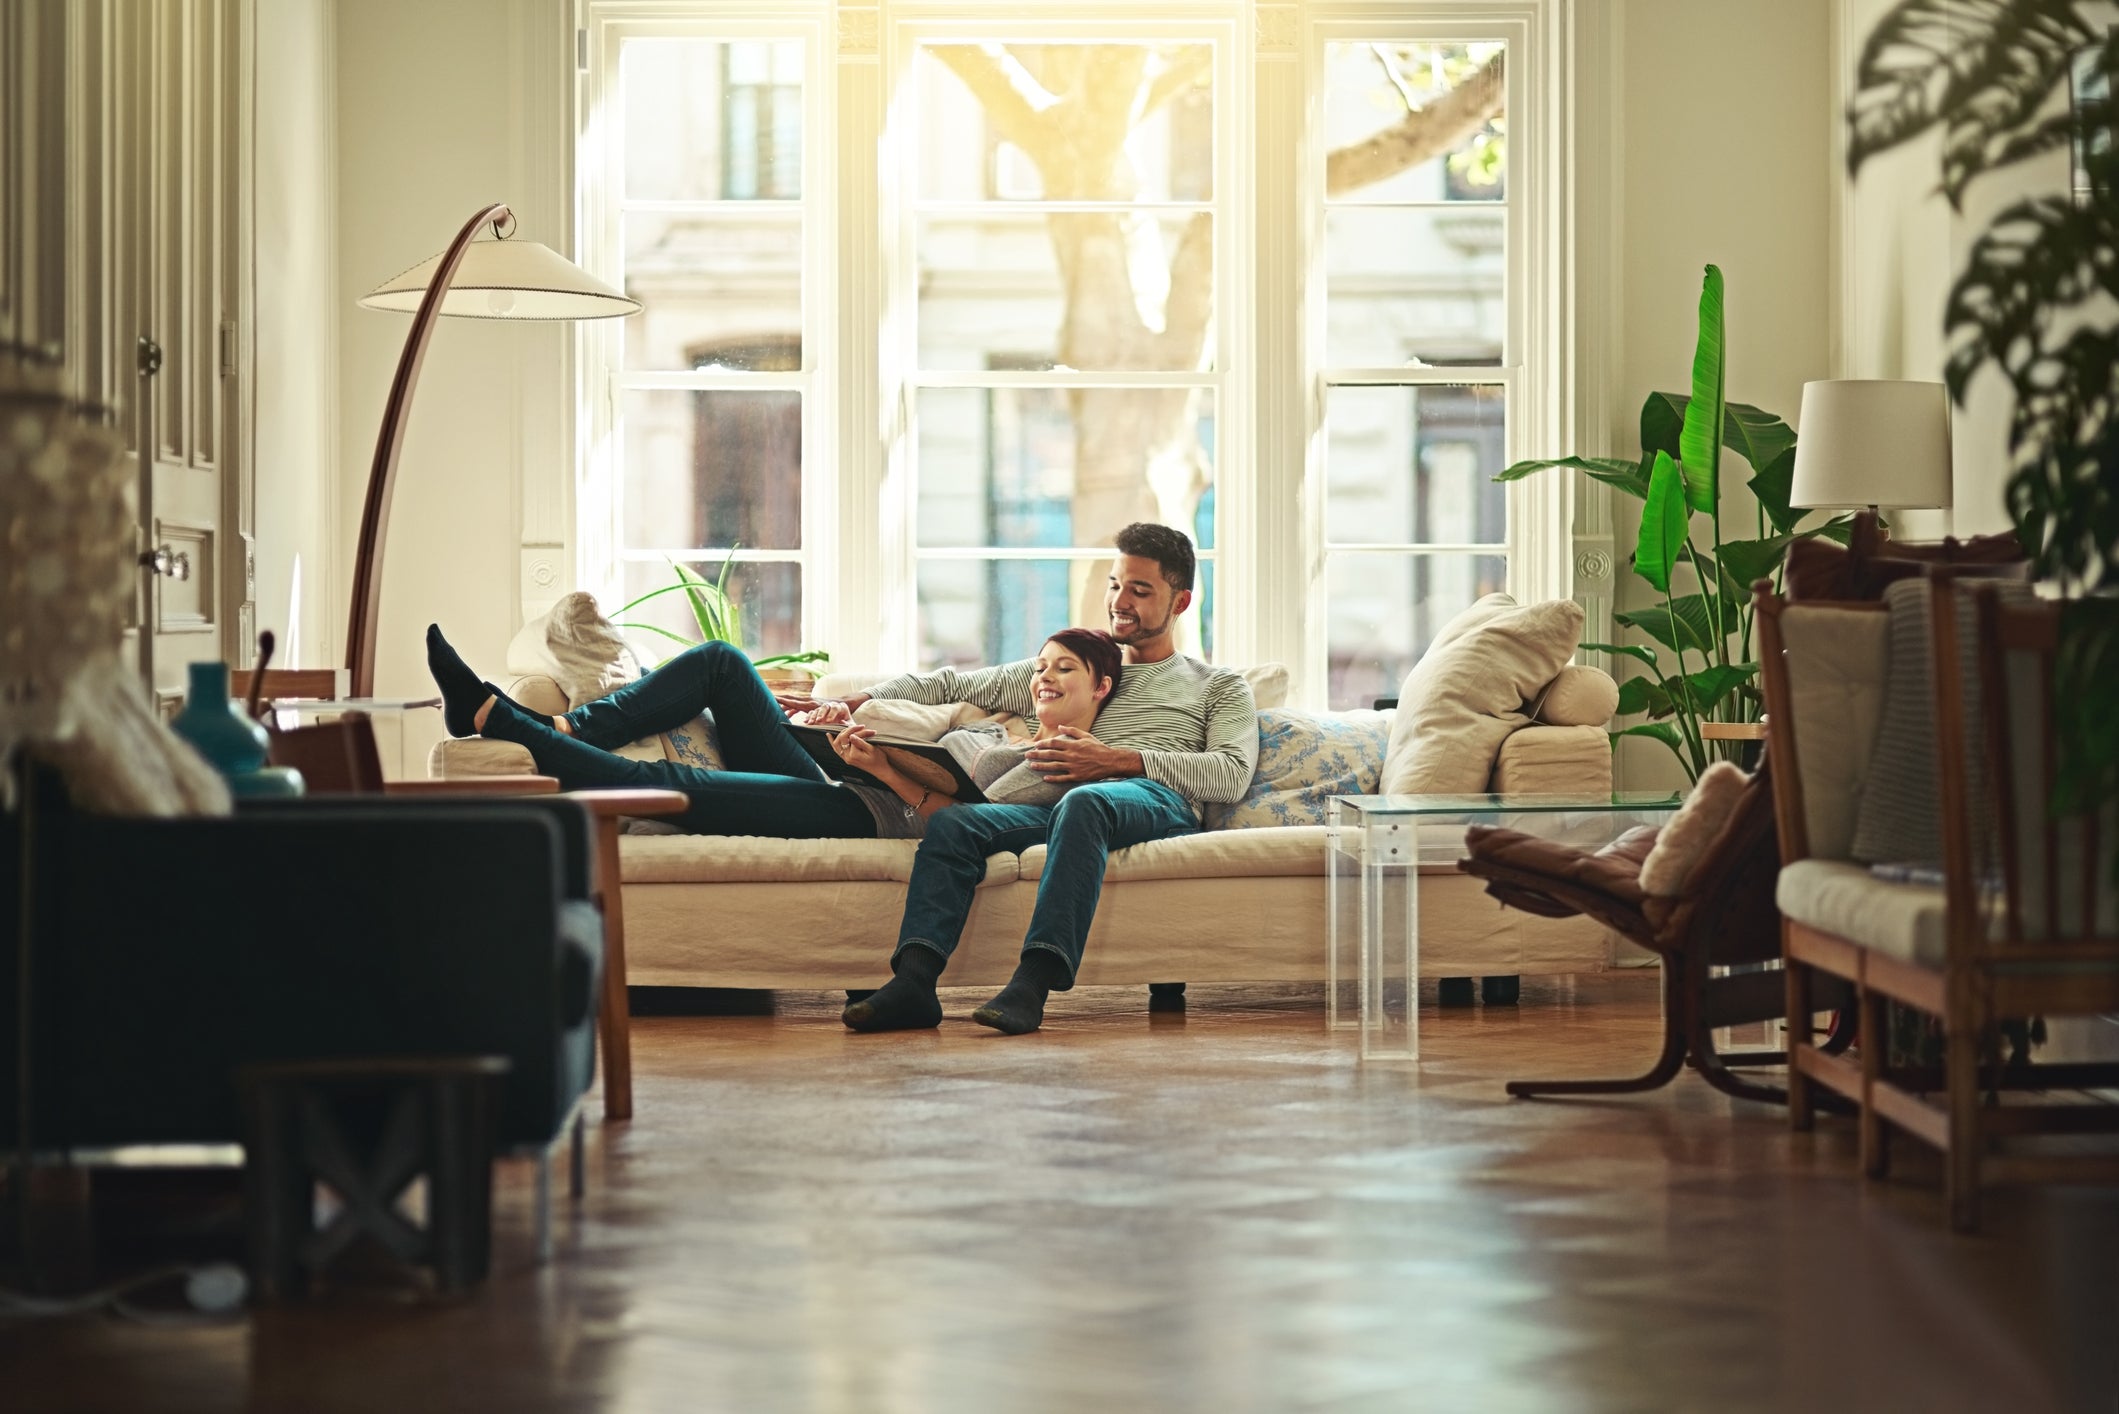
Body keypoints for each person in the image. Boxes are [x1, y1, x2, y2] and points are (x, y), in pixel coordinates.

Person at [840, 522, 1257, 1036]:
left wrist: (1119, 760)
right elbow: (953, 683)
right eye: (1114, 584)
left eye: (1140, 590)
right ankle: (914, 984)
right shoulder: (1081, 664)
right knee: (960, 823)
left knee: (1087, 802)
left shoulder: (1217, 686)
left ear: (1181, 602)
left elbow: (1232, 774)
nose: (1119, 601)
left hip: (1155, 801)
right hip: (1054, 804)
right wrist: (857, 700)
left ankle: (1032, 984)